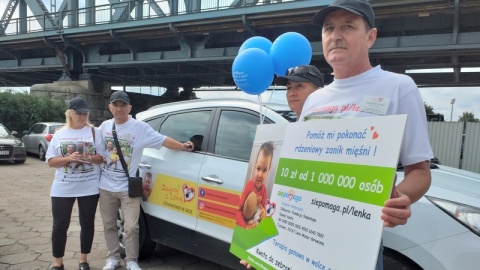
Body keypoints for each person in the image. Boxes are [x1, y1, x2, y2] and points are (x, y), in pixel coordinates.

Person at [301, 0, 433, 269]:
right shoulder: (314, 101)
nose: (336, 35)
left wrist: (400, 199)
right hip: (306, 233)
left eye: (348, 26)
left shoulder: (398, 87)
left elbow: (420, 171)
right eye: (329, 28)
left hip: (357, 244)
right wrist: (264, 245)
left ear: (370, 36)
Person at [98, 91, 194, 270]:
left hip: (129, 187)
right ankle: (113, 258)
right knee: (109, 225)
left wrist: (181, 146)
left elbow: (163, 140)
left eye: (123, 105)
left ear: (130, 108)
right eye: (116, 105)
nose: (119, 109)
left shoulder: (139, 128)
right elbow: (88, 139)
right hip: (106, 186)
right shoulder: (103, 127)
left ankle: (132, 260)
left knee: (132, 227)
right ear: (110, 107)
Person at [45, 97, 105, 270]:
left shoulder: (95, 132)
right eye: (79, 114)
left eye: (85, 113)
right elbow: (51, 161)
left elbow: (102, 158)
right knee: (59, 225)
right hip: (63, 187)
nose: (83, 117)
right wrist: (68, 158)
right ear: (70, 114)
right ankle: (58, 263)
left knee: (87, 223)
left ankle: (83, 260)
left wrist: (90, 158)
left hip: (89, 186)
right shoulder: (60, 134)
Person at [235, 141, 275, 229]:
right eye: (258, 169)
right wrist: (245, 226)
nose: (260, 174)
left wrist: (263, 212)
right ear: (254, 167)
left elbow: (263, 208)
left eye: (264, 170)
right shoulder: (249, 187)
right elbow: (237, 210)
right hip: (245, 223)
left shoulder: (264, 190)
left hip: (255, 223)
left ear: (268, 171)